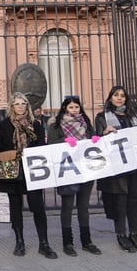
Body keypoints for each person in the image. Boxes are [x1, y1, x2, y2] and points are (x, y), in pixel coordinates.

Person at [0, 92, 58, 259]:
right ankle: (19, 241)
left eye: (23, 103)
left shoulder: (36, 124)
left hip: (32, 171)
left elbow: (43, 146)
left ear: (27, 106)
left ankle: (44, 243)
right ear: (11, 107)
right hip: (11, 171)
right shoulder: (5, 125)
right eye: (17, 104)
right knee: (15, 207)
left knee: (38, 207)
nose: (20, 106)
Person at [95, 85, 137, 253]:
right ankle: (121, 234)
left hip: (135, 166)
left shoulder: (134, 117)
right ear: (110, 98)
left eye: (122, 96)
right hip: (116, 168)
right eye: (116, 95)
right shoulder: (102, 117)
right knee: (120, 201)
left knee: (134, 198)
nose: (119, 98)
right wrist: (104, 133)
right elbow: (95, 140)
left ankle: (135, 234)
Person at [46, 96, 102, 256]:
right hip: (67, 170)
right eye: (71, 107)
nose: (74, 110)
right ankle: (68, 242)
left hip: (85, 169)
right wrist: (64, 140)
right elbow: (51, 144)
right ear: (65, 109)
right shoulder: (56, 125)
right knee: (67, 207)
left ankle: (87, 241)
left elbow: (93, 139)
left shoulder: (86, 123)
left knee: (83, 206)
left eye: (76, 107)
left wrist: (95, 140)